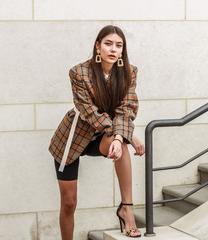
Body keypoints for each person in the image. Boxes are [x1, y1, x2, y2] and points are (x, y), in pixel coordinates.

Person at [49, 25, 145, 239]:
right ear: (97, 46)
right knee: (69, 203)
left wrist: (122, 137)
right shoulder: (79, 72)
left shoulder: (129, 71)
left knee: (120, 143)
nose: (113, 50)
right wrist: (129, 134)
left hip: (103, 138)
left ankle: (127, 210)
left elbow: (126, 108)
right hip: (73, 139)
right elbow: (90, 113)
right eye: (108, 44)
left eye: (119, 46)